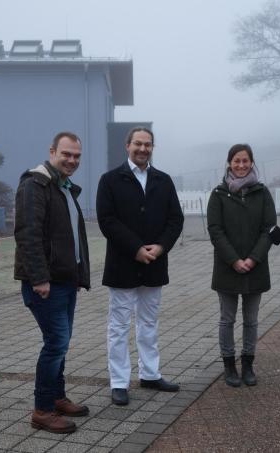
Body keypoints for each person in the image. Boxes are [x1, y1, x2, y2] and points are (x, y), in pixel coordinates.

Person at [96, 126, 184, 406]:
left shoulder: (164, 180)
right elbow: (107, 220)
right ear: (127, 145)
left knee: (149, 323)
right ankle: (119, 382)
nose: (143, 149)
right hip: (123, 264)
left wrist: (160, 247)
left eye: (148, 144)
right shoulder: (110, 180)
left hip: (155, 264)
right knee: (119, 326)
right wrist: (135, 248)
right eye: (138, 144)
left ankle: (150, 373)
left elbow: (175, 219)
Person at [14, 131, 91, 434]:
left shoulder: (64, 188)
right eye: (66, 154)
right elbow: (27, 234)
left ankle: (57, 397)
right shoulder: (35, 185)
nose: (72, 160)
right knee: (55, 343)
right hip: (46, 284)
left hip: (65, 282)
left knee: (61, 344)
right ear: (52, 152)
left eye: (77, 156)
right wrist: (39, 278)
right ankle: (43, 410)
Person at [207, 144, 276, 387]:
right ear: (229, 163)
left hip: (255, 267)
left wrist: (253, 258)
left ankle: (248, 364)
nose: (241, 165)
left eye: (245, 160)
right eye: (236, 161)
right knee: (227, 319)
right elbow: (215, 231)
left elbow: (269, 229)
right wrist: (234, 259)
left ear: (251, 162)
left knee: (251, 319)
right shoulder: (218, 194)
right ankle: (229, 365)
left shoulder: (262, 192)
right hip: (227, 267)